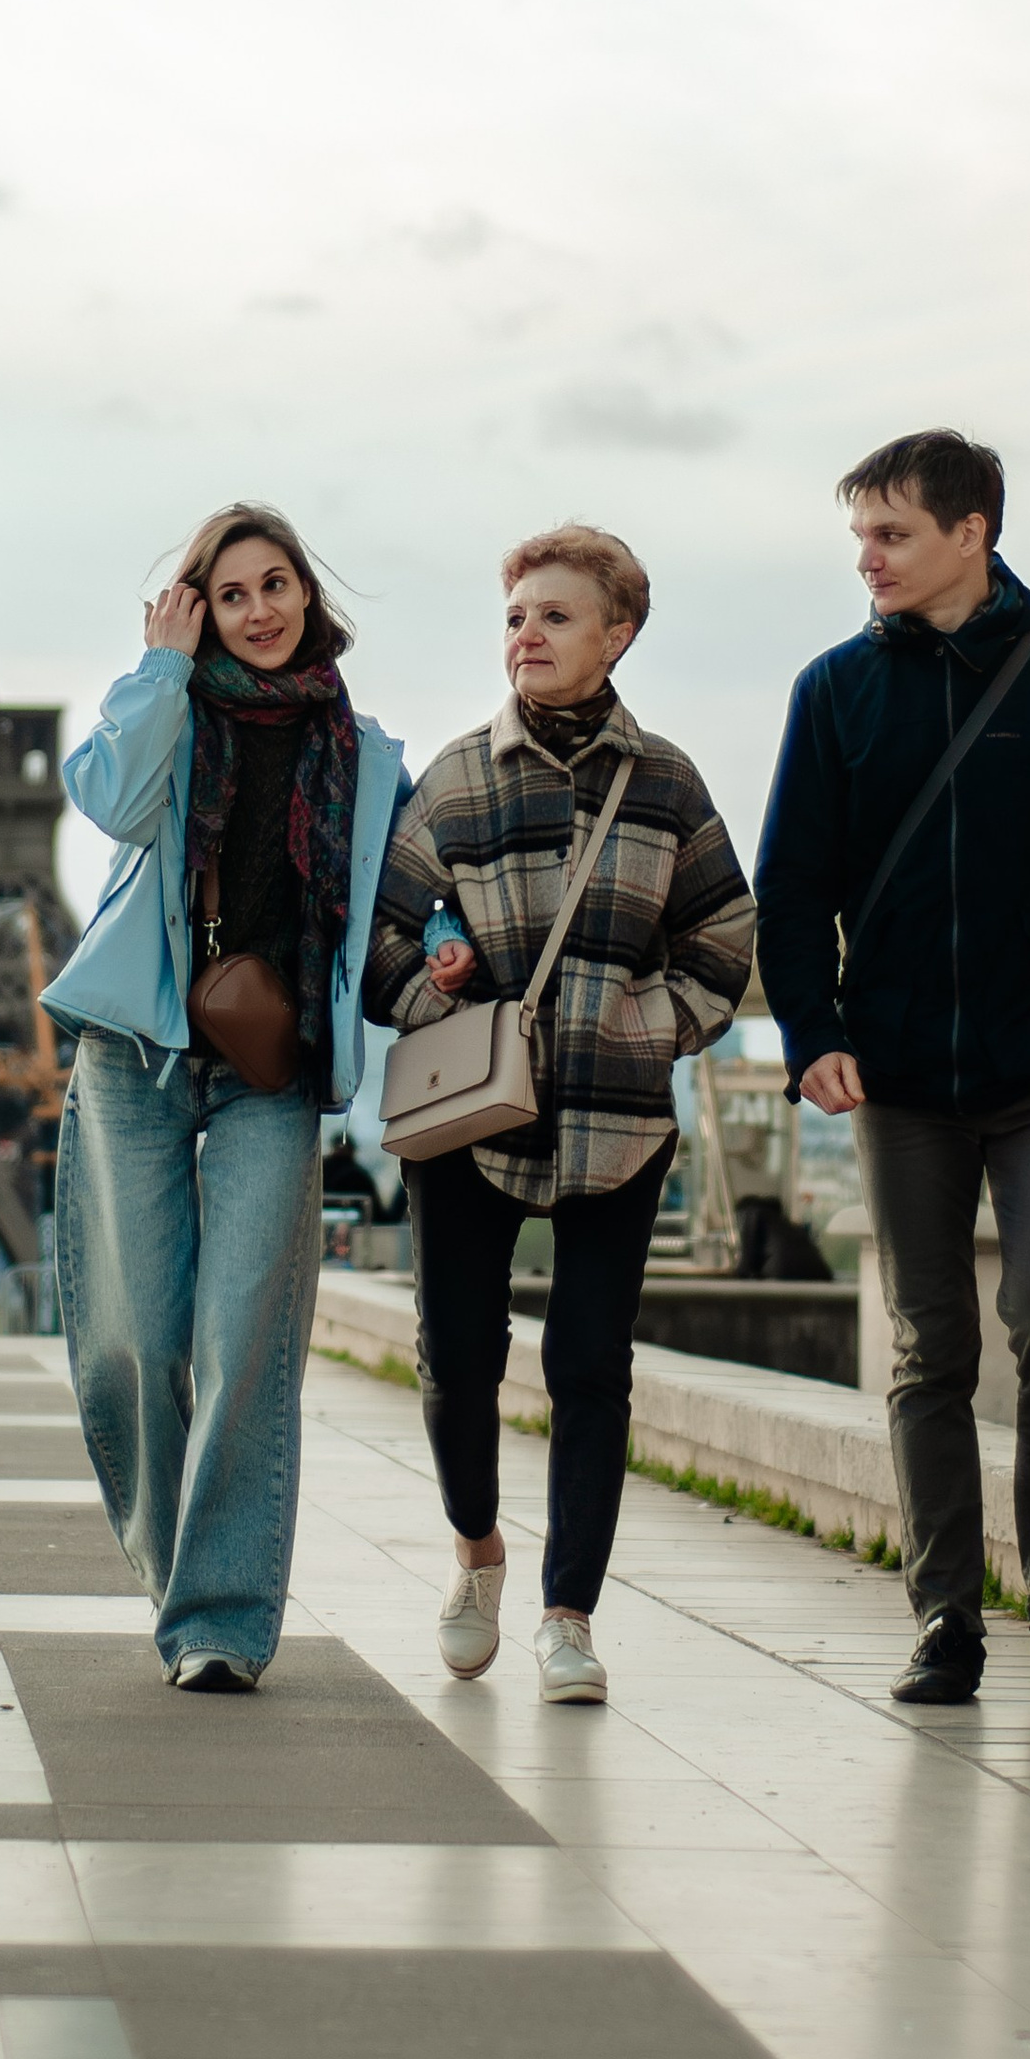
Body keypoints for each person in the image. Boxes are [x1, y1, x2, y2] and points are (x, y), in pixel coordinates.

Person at [752, 431, 1030, 1709]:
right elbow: (793, 890)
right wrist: (814, 1033)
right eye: (860, 539)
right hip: (898, 1082)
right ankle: (945, 1614)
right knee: (927, 1348)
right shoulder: (833, 690)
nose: (868, 560)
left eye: (890, 534)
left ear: (970, 532)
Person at [366, 527, 754, 1708]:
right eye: (515, 618)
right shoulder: (451, 780)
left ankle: (568, 1615)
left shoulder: (671, 785)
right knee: (457, 1358)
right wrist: (426, 982)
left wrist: (649, 1026)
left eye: (554, 617)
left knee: (592, 1367)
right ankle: (477, 1551)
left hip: (618, 1118)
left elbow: (725, 941)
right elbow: (378, 945)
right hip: (472, 1117)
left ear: (617, 633)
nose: (524, 638)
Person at [40, 504, 406, 1691]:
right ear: (200, 607)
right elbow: (105, 800)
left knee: (247, 1339)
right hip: (139, 1050)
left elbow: (405, 891)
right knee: (137, 1341)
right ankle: (181, 1564)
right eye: (232, 593)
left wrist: (442, 943)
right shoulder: (164, 715)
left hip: (272, 1067)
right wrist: (157, 667)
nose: (258, 611)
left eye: (276, 585)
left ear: (309, 593)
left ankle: (217, 1621)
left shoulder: (366, 752)